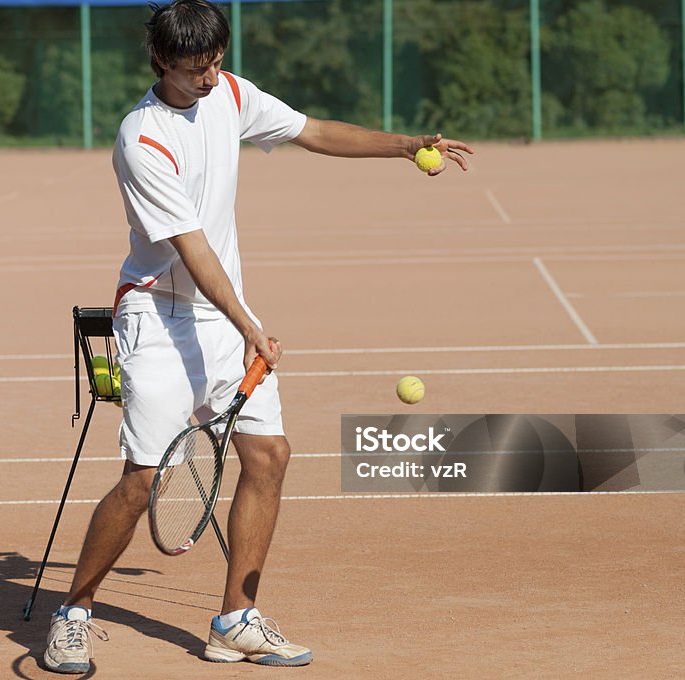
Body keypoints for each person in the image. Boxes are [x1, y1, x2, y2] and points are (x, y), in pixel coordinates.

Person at [43, 0, 474, 673]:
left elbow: (313, 131)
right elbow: (191, 249)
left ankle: (235, 622)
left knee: (269, 456)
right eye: (195, 70)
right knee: (142, 482)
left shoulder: (231, 92)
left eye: (216, 63)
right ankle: (74, 612)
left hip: (224, 316)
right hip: (159, 319)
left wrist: (408, 144)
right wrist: (251, 324)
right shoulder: (142, 137)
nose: (211, 79)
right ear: (161, 62)